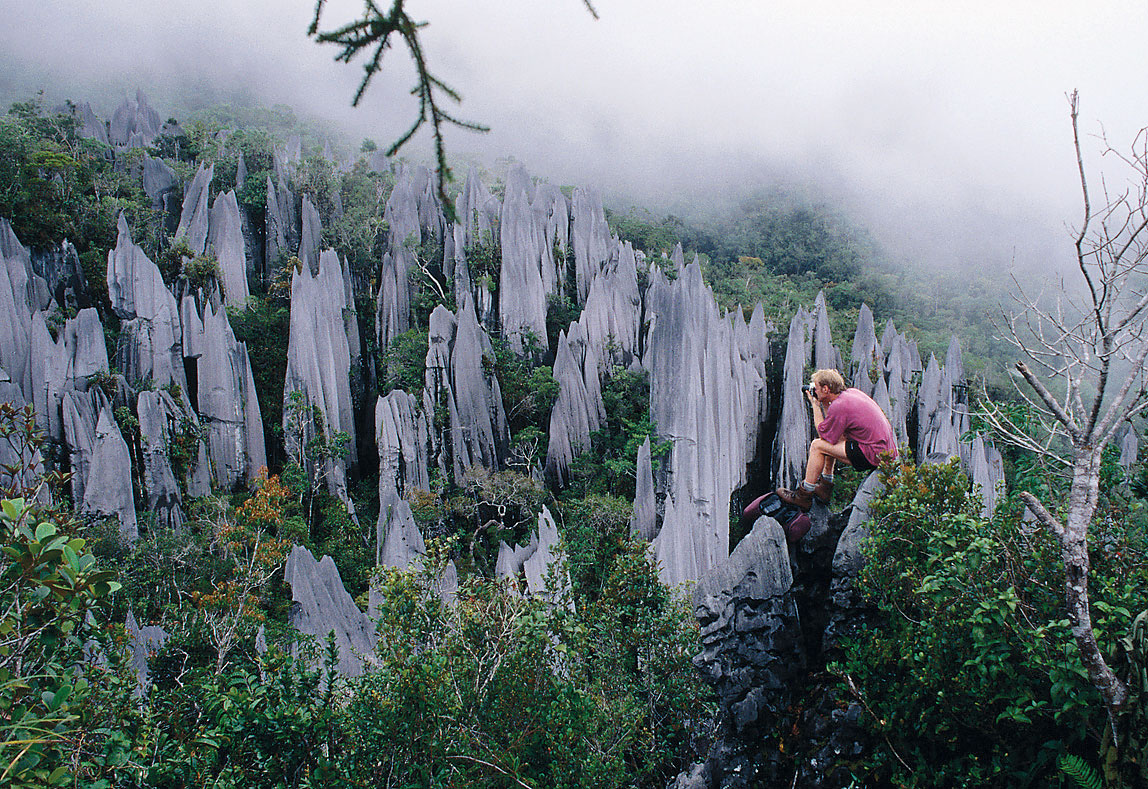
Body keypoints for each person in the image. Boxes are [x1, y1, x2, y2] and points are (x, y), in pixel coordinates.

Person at [776, 368, 897, 511]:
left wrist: (815, 405)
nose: (815, 390)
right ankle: (825, 488)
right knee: (834, 439)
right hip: (883, 452)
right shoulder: (850, 394)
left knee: (817, 446)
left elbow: (823, 435)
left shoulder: (840, 405)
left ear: (826, 389)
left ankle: (803, 496)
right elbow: (832, 429)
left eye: (817, 387)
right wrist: (825, 404)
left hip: (872, 454)